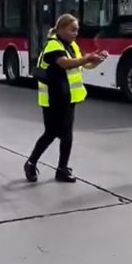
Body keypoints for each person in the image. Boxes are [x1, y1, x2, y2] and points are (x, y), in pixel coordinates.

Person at [24, 13, 108, 183]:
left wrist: (97, 60)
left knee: (67, 134)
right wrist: (87, 58)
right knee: (52, 132)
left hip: (68, 97)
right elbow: (64, 63)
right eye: (72, 30)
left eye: (77, 30)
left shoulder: (72, 45)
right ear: (61, 29)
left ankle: (62, 168)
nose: (75, 33)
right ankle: (31, 162)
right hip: (53, 98)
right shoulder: (53, 45)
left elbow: (83, 64)